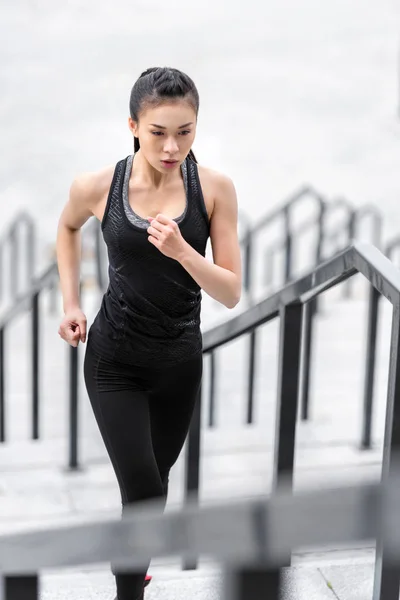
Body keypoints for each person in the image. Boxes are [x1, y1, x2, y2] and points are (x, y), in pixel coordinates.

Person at [56, 66, 242, 600]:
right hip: (113, 360)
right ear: (134, 125)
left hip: (178, 363)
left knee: (152, 493)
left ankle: (132, 574)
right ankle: (128, 592)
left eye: (184, 132)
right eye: (159, 132)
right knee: (141, 488)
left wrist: (183, 250)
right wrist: (71, 302)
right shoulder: (98, 186)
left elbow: (230, 292)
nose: (171, 146)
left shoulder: (215, 190)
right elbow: (67, 228)